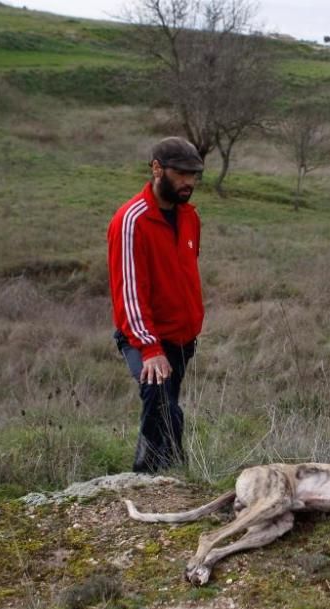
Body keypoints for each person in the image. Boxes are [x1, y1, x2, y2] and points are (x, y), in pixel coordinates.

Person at [108, 137, 205, 473]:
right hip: (145, 338)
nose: (188, 182)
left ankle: (159, 473)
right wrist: (150, 348)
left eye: (194, 175)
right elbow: (129, 291)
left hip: (182, 339)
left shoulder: (190, 218)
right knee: (160, 400)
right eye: (180, 174)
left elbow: (185, 274)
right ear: (156, 169)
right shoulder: (131, 220)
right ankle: (154, 476)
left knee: (165, 404)